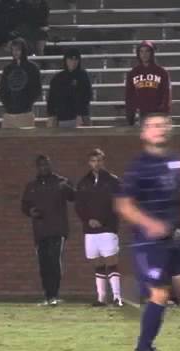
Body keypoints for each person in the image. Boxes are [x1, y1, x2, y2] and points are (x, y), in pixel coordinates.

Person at [114, 113, 180, 351]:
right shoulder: (139, 166)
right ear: (143, 133)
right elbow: (123, 205)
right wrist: (151, 224)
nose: (159, 129)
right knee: (158, 293)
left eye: (163, 125)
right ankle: (141, 349)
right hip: (148, 242)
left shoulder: (175, 161)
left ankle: (147, 347)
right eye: (153, 126)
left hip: (173, 238)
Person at [21, 155, 75, 305]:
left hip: (57, 229)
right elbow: (24, 206)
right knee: (43, 263)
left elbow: (73, 196)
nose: (44, 168)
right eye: (41, 165)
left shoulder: (60, 182)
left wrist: (67, 188)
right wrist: (30, 211)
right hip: (40, 230)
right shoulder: (31, 186)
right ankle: (47, 295)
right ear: (37, 168)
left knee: (54, 260)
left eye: (46, 165)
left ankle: (54, 295)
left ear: (50, 165)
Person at [74, 149, 122, 306]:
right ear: (89, 163)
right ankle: (101, 297)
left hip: (108, 228)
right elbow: (79, 206)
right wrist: (88, 220)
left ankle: (117, 297)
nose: (96, 164)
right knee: (97, 262)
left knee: (111, 261)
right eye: (93, 161)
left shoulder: (113, 181)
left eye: (99, 160)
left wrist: (102, 219)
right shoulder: (83, 182)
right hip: (90, 230)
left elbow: (118, 204)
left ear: (104, 161)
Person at [124, 41, 170, 127]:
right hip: (141, 114)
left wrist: (163, 112)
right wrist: (130, 115)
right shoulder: (133, 73)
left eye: (147, 51)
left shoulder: (162, 72)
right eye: (141, 51)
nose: (144, 54)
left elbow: (166, 93)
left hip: (157, 115)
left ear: (152, 53)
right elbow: (129, 95)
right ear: (138, 53)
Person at [0, 39, 41, 130]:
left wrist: (27, 104)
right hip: (9, 113)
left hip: (25, 113)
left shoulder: (32, 68)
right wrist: (8, 106)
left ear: (23, 50)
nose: (15, 52)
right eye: (13, 50)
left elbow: (37, 90)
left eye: (18, 49)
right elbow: (3, 90)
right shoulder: (7, 69)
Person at [46, 47, 93, 128]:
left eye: (76, 60)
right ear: (66, 60)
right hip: (62, 118)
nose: (73, 62)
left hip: (79, 118)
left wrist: (81, 114)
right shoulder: (58, 78)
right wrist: (52, 115)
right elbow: (51, 98)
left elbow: (86, 97)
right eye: (70, 59)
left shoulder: (83, 76)